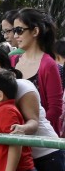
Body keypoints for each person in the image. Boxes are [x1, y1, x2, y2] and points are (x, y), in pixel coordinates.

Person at [9, 8, 63, 136]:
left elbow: (55, 109)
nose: (15, 36)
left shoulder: (48, 65)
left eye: (19, 30)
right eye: (14, 31)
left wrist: (32, 128)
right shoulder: (12, 61)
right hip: (15, 135)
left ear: (35, 31)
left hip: (41, 140)